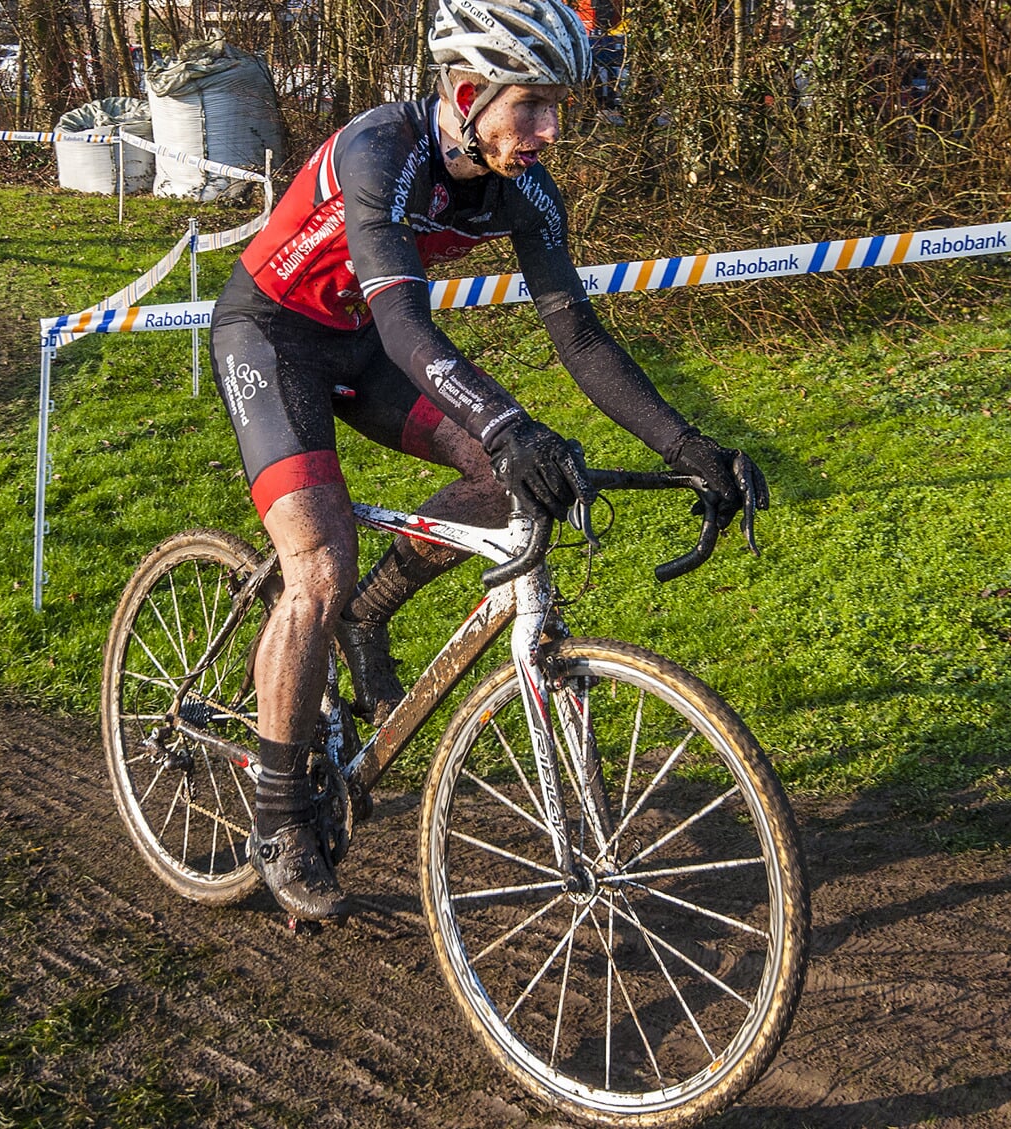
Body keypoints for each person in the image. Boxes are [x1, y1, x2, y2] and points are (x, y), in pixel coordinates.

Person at [207, 0, 769, 920]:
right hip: (275, 336)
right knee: (318, 562)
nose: (550, 129)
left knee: (499, 483)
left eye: (560, 108)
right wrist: (512, 422)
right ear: (467, 91)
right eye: (534, 105)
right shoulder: (380, 151)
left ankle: (369, 616)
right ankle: (278, 817)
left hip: (364, 345)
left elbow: (580, 340)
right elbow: (403, 319)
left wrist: (694, 447)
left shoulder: (524, 184)